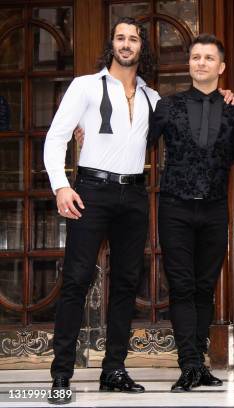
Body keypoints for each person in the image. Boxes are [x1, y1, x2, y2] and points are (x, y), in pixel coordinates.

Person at [43, 17, 159, 404]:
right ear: (112, 44)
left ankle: (115, 369)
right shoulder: (85, 86)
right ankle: (61, 375)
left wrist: (221, 96)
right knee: (76, 280)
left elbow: (186, 125)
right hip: (90, 191)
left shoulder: (151, 97)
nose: (127, 44)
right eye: (120, 38)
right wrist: (61, 185)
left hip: (134, 196)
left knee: (126, 284)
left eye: (134, 39)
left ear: (142, 47)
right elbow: (57, 136)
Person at [146, 34, 234, 392]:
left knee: (205, 287)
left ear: (221, 67)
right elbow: (137, 143)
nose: (201, 62)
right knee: (182, 286)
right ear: (189, 64)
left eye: (208, 58)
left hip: (215, 208)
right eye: (195, 57)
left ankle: (200, 362)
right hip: (174, 206)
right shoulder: (167, 106)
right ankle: (188, 364)